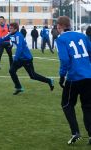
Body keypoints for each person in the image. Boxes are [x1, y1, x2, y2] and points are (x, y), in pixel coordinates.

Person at [0, 22, 54, 95]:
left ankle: (49, 81)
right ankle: (18, 87)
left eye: (11, 28)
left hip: (26, 58)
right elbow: (1, 39)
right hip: (20, 58)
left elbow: (20, 48)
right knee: (11, 71)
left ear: (15, 29)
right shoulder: (10, 34)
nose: (9, 29)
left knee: (33, 76)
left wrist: (15, 58)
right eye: (9, 28)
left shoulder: (19, 35)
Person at [56, 16, 91, 145]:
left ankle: (75, 132)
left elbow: (65, 59)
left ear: (59, 26)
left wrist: (62, 75)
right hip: (88, 76)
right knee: (87, 106)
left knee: (67, 104)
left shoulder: (61, 39)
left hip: (74, 77)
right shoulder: (82, 36)